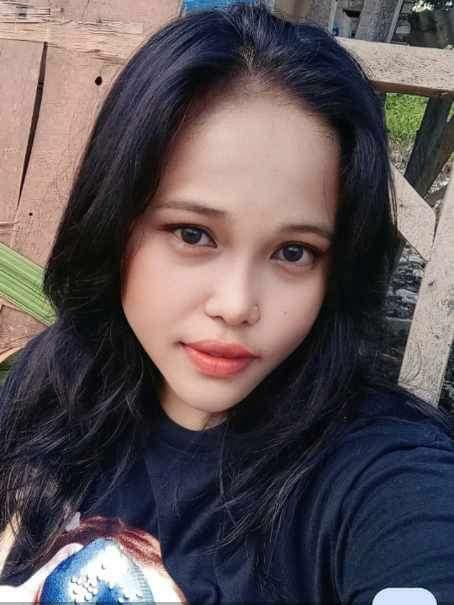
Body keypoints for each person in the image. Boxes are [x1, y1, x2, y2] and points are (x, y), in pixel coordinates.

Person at [0, 1, 453, 603]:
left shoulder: (376, 476)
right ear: (114, 223)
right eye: (193, 234)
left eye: (294, 252)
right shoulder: (53, 381)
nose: (237, 305)